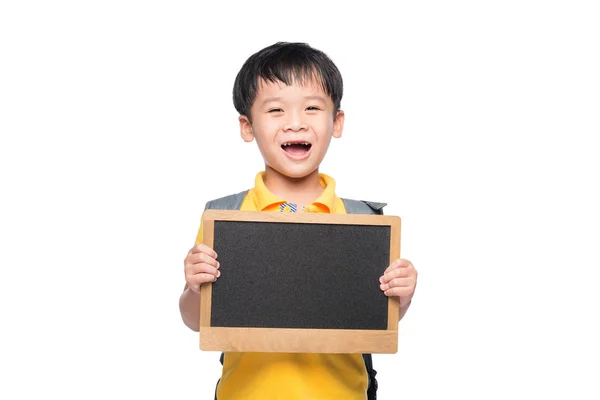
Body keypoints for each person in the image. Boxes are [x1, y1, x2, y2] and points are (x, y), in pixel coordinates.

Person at [179, 41, 418, 400]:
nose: (295, 123)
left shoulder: (363, 220)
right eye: (275, 110)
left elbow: (376, 319)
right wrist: (195, 286)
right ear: (247, 126)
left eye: (311, 108)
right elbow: (197, 320)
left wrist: (403, 294)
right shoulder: (226, 217)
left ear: (336, 122)